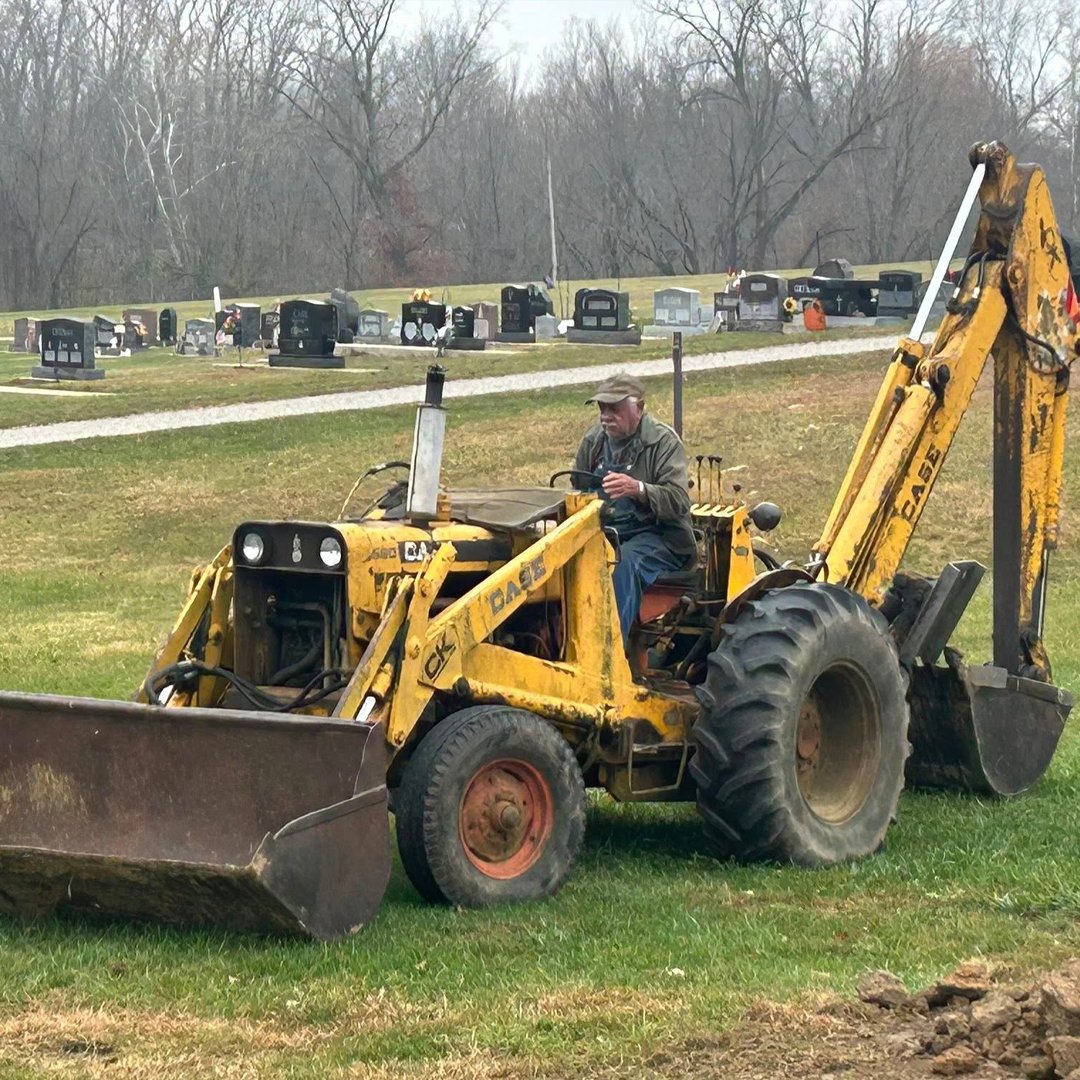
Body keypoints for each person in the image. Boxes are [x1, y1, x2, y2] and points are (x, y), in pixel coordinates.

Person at [573, 374, 697, 643]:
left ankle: (609, 649)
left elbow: (678, 502)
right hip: (606, 531)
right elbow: (577, 489)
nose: (605, 416)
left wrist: (638, 489)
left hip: (660, 537)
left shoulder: (663, 442)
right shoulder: (594, 441)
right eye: (601, 408)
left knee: (622, 563)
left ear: (638, 408)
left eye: (614, 409)